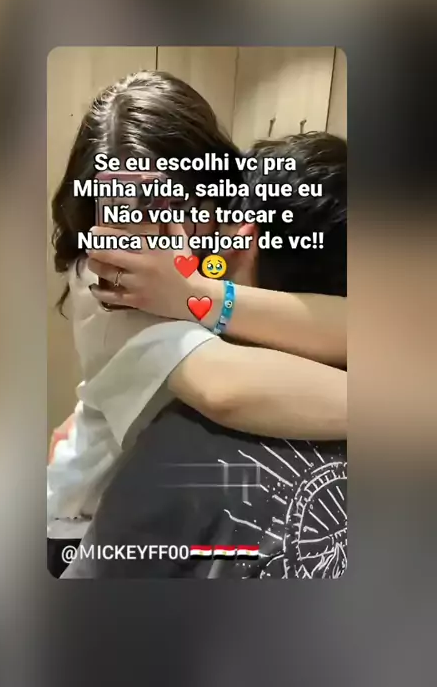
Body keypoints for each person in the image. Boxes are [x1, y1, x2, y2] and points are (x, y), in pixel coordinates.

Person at [47, 69, 346, 572]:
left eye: (175, 201)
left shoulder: (208, 256)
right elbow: (223, 389)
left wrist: (198, 293)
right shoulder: (108, 288)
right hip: (80, 521)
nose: (161, 231)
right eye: (126, 208)